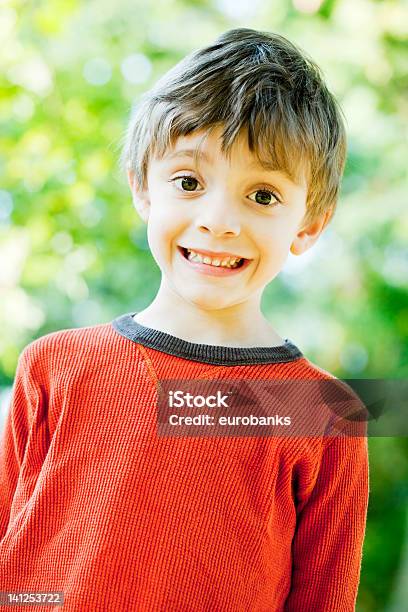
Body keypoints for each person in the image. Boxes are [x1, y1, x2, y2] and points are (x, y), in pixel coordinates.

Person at [0, 28, 369, 611]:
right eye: (190, 182)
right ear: (143, 188)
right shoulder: (53, 367)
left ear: (309, 225)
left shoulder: (322, 414)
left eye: (264, 195)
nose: (218, 220)